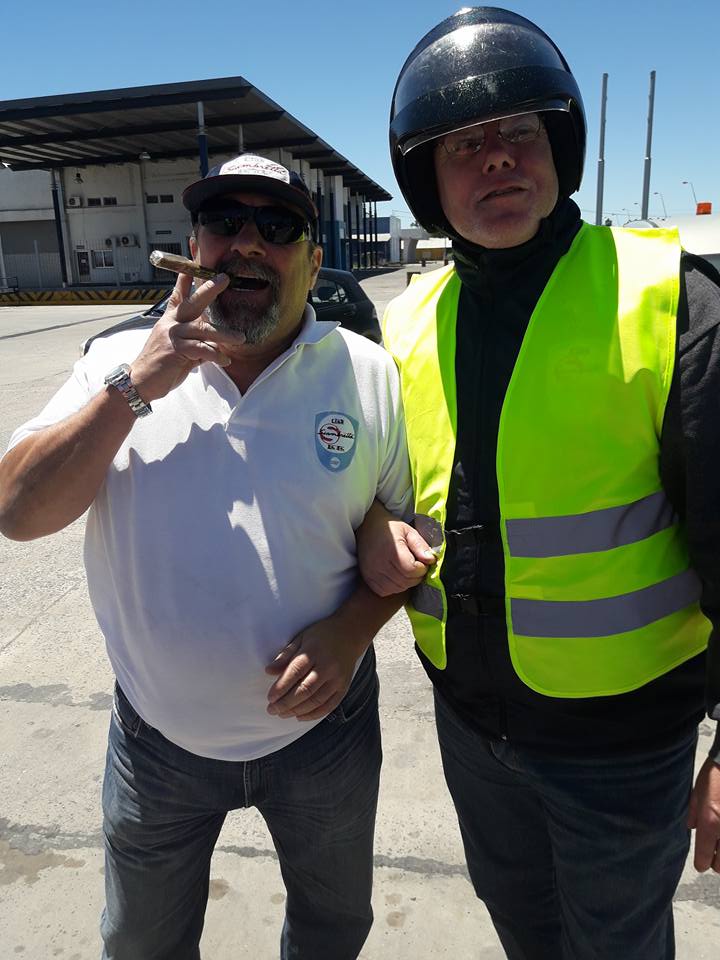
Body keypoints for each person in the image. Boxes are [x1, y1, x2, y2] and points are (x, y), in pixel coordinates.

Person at [358, 8, 720, 959]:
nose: (496, 159)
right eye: (462, 146)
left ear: (559, 146)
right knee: (524, 930)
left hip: (623, 747)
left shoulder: (670, 302)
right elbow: (371, 495)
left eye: (518, 132)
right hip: (472, 730)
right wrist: (368, 529)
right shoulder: (404, 327)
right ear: (427, 182)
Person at [0, 154, 412, 960]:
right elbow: (17, 511)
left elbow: (402, 537)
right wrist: (137, 384)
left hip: (324, 741)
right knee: (141, 942)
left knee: (332, 930)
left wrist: (352, 631)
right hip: (157, 743)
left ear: (313, 261)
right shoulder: (115, 362)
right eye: (225, 222)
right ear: (193, 247)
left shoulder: (366, 374)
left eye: (278, 226)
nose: (247, 243)